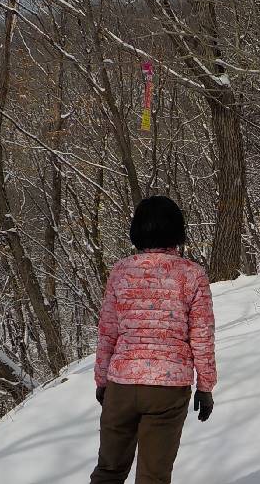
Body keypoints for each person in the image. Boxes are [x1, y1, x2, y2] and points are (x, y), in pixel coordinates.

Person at [90, 196, 217, 484]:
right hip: (168, 388)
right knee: (153, 477)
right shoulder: (192, 274)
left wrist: (102, 381)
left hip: (121, 385)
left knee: (108, 471)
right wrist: (205, 387)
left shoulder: (120, 271)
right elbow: (202, 335)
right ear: (177, 231)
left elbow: (107, 331)